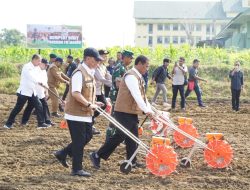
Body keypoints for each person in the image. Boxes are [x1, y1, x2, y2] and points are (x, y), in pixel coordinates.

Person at [89, 55, 153, 170]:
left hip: (131, 111)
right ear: (139, 64)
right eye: (146, 66)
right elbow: (136, 95)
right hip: (123, 111)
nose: (147, 69)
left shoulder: (138, 77)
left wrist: (150, 109)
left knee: (133, 137)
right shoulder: (131, 77)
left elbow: (143, 97)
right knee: (119, 136)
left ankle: (132, 161)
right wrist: (146, 110)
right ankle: (97, 155)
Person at [53, 47, 104, 177]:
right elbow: (75, 93)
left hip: (85, 113)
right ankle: (77, 169)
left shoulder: (89, 72)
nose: (98, 62)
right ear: (88, 59)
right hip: (75, 114)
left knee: (88, 136)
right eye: (96, 60)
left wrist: (94, 102)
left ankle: (63, 153)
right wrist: (88, 104)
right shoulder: (79, 73)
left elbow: (86, 93)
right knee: (79, 141)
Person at [3, 54, 49, 129]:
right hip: (24, 91)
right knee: (18, 108)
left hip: (32, 92)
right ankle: (8, 124)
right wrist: (39, 82)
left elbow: (39, 76)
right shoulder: (27, 67)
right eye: (39, 61)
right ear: (34, 59)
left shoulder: (36, 67)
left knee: (39, 105)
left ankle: (41, 123)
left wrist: (43, 84)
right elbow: (31, 77)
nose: (40, 63)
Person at [21, 58, 55, 127]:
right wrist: (41, 84)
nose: (46, 67)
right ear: (41, 63)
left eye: (47, 65)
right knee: (32, 107)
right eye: (45, 65)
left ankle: (47, 121)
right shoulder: (35, 70)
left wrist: (47, 91)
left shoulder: (44, 71)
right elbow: (35, 80)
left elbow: (45, 82)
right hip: (34, 92)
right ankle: (36, 122)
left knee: (43, 106)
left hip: (41, 92)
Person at [92, 50, 112, 135]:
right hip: (94, 91)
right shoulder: (96, 66)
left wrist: (113, 79)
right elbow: (100, 78)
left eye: (106, 56)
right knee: (94, 107)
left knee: (103, 105)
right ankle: (90, 124)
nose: (105, 57)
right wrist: (113, 84)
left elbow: (109, 76)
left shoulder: (104, 67)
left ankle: (90, 121)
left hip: (100, 91)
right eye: (104, 56)